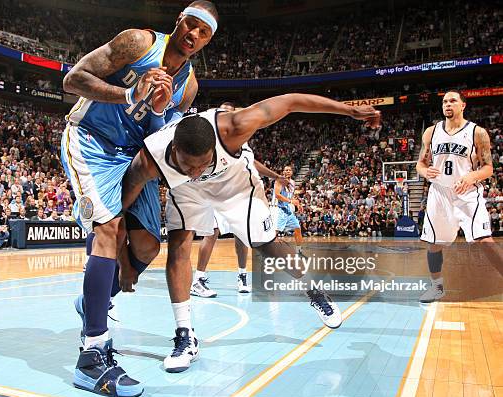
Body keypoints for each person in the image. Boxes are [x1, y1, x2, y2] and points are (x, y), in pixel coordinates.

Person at [122, 92, 380, 373]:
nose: (196, 171)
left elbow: (291, 101)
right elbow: (119, 209)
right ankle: (185, 335)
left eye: (202, 164)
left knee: (265, 244)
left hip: (235, 186)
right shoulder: (149, 159)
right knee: (179, 247)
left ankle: (314, 291)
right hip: (187, 193)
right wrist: (122, 257)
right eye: (189, 166)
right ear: (173, 151)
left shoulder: (233, 127)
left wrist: (346, 109)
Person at [62, 0, 218, 397]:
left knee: (147, 246)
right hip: (92, 141)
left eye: (204, 33)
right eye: (192, 24)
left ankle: (93, 299)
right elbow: (73, 80)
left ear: (207, 42)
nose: (194, 35)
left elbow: (160, 135)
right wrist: (129, 93)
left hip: (133, 156)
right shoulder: (138, 42)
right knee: (109, 229)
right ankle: (92, 357)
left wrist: (162, 111)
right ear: (179, 20)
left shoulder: (190, 85)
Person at [190, 102, 289, 297]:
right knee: (212, 232)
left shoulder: (241, 139)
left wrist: (275, 176)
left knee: (242, 235)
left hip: (239, 195)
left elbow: (253, 162)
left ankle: (242, 275)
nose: (226, 116)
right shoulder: (211, 138)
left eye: (230, 113)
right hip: (218, 192)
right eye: (223, 113)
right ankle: (198, 279)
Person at [417, 90, 498, 302]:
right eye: (444, 101)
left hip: (467, 193)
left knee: (485, 241)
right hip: (440, 193)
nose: (447, 104)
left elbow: (488, 168)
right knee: (434, 244)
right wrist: (426, 172)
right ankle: (437, 287)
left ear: (463, 105)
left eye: (453, 101)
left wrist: (471, 176)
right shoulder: (430, 132)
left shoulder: (477, 133)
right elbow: (420, 164)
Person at [272, 165, 303, 244]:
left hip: (287, 209)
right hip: (278, 208)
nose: (288, 171)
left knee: (297, 228)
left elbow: (291, 196)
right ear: (283, 172)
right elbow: (277, 195)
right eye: (286, 170)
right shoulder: (279, 181)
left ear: (292, 172)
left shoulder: (292, 182)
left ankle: (299, 251)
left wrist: (298, 204)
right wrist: (291, 201)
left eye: (289, 170)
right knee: (274, 233)